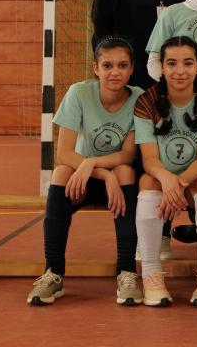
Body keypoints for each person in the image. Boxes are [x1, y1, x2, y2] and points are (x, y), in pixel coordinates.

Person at [27, 36, 144, 306]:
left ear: (131, 68)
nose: (115, 72)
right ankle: (53, 272)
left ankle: (126, 272)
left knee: (126, 171)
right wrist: (100, 171)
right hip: (81, 181)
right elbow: (64, 153)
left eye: (122, 65)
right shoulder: (79, 93)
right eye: (107, 65)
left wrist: (96, 164)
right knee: (61, 172)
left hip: (117, 184)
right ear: (95, 68)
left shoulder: (138, 98)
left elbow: (128, 154)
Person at [133, 36, 197, 307]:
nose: (180, 71)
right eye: (172, 63)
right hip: (161, 176)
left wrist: (179, 183)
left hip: (194, 177)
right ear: (161, 67)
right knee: (147, 181)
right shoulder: (147, 102)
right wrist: (167, 180)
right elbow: (149, 159)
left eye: (188, 63)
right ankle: (151, 275)